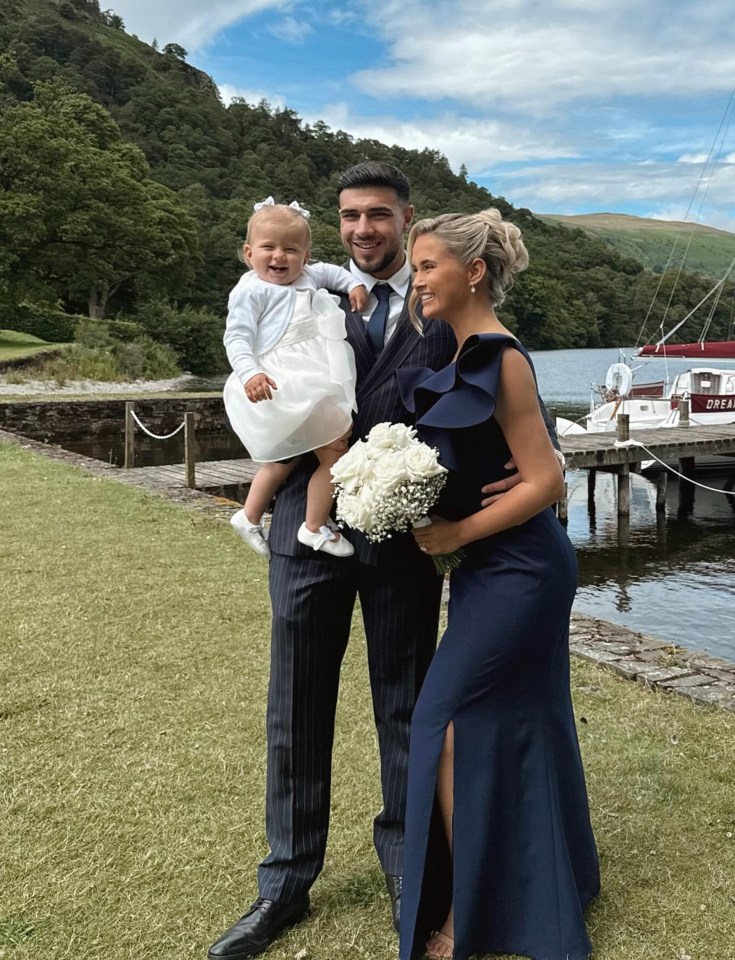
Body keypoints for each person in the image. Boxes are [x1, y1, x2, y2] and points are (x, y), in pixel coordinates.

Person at [208, 163, 560, 960]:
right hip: (309, 525)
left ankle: (409, 870)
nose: (362, 229)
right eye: (348, 216)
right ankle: (284, 884)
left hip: (406, 540)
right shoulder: (293, 288)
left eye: (377, 215)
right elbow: (249, 377)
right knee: (294, 707)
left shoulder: (442, 301)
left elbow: (504, 384)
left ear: (405, 219)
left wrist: (529, 462)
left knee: (405, 707)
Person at [397, 209, 600, 960]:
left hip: (523, 569)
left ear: (472, 272)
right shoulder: (458, 349)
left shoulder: (498, 355)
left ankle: (469, 915)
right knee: (524, 720)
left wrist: (451, 536)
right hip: (493, 570)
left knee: (441, 723)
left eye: (427, 267)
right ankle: (552, 882)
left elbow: (544, 478)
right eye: (416, 267)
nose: (417, 280)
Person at [223, 198, 367, 558]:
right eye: (268, 248)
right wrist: (249, 372)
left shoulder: (309, 275)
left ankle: (251, 515)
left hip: (314, 376)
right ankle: (313, 525)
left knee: (294, 456)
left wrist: (353, 285)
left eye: (291, 249)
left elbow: (335, 273)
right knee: (330, 450)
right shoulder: (250, 290)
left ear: (306, 256)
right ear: (248, 252)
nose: (279, 257)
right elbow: (236, 337)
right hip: (278, 382)